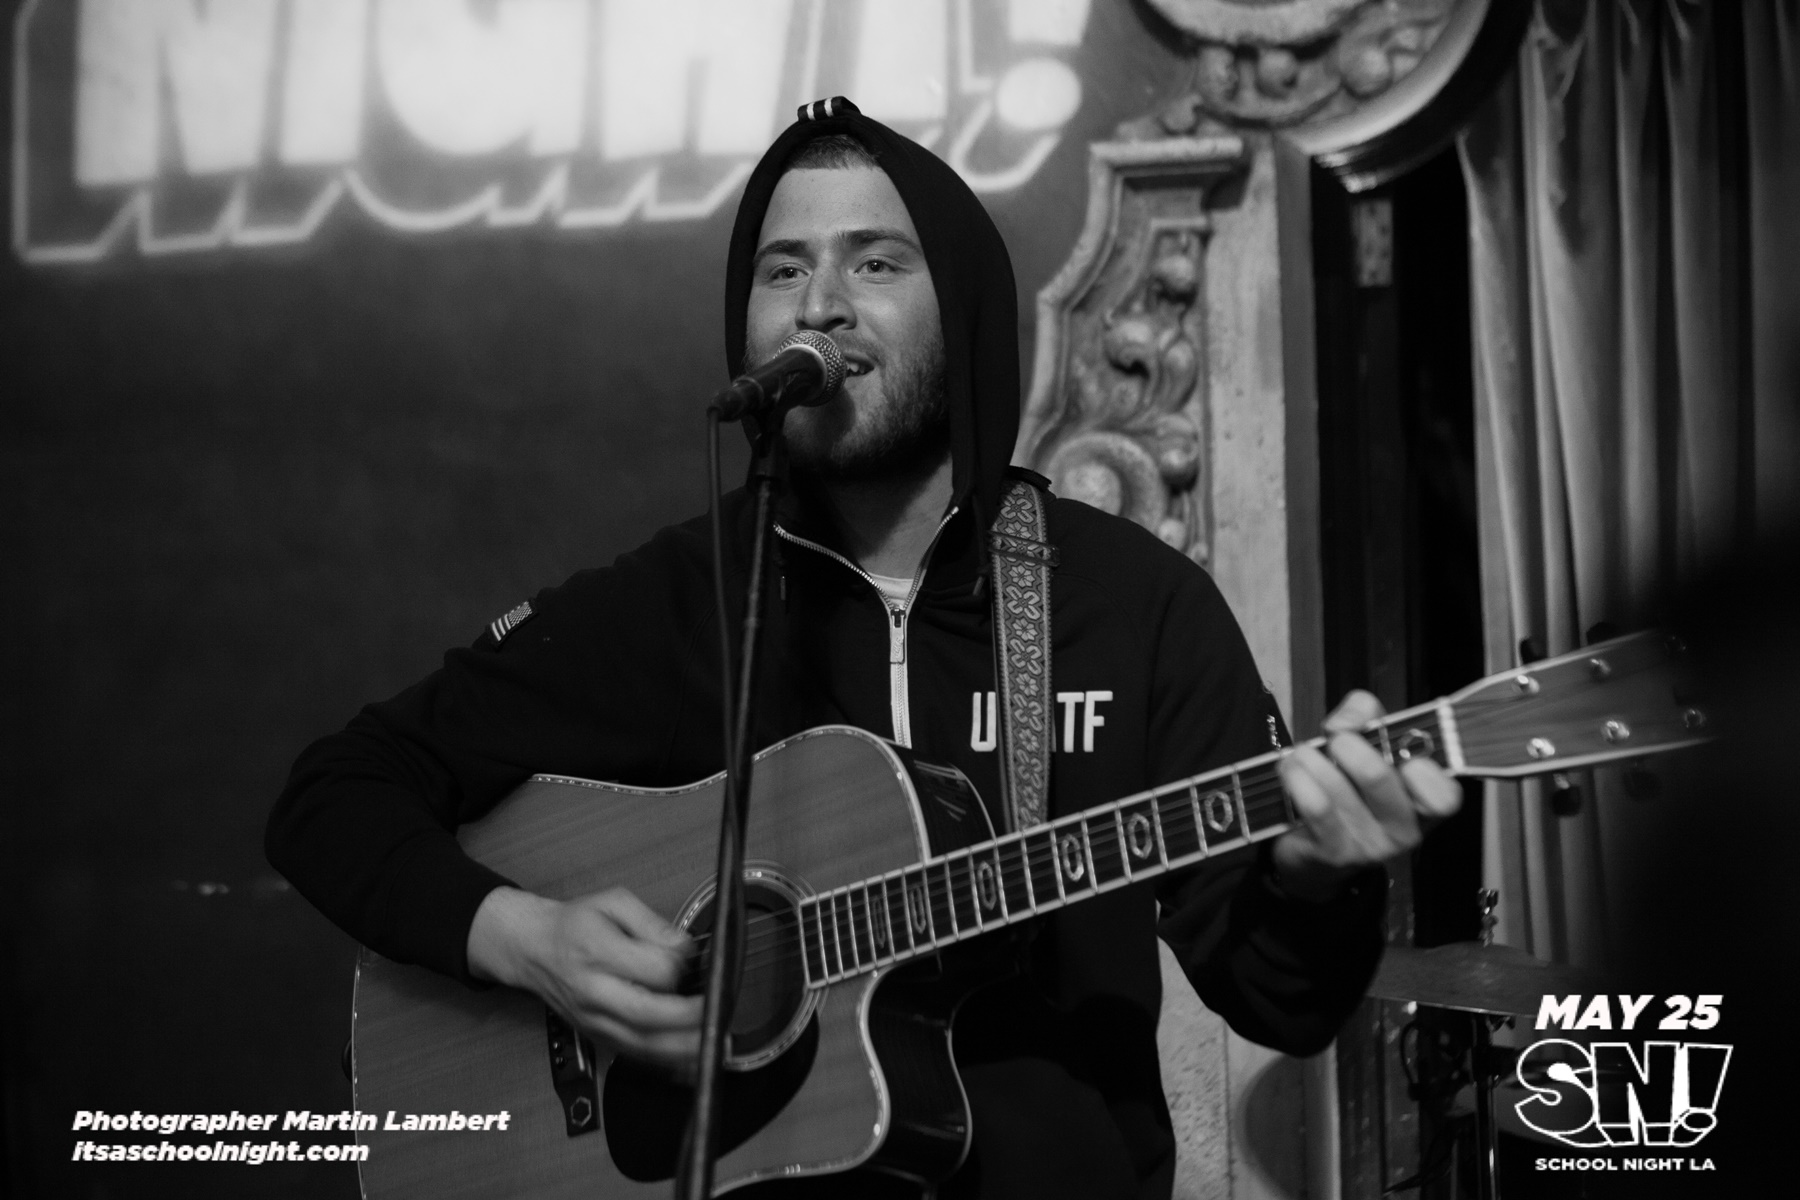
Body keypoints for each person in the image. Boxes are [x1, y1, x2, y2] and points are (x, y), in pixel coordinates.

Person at [266, 100, 1459, 1199]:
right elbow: (334, 796)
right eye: (784, 270)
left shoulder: (1131, 603)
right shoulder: (679, 598)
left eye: (876, 263)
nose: (818, 305)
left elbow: (1276, 1001)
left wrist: (1315, 870)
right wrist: (527, 943)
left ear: (968, 312)